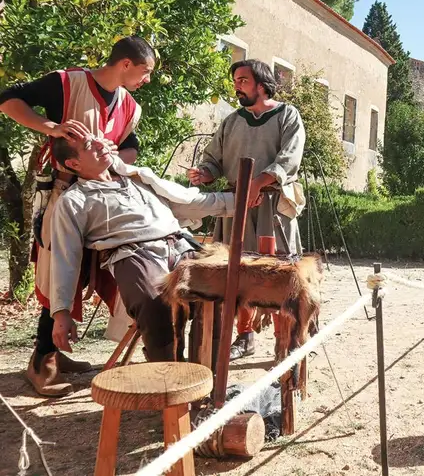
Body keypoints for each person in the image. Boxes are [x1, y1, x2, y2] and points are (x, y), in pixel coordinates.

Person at [0, 36, 154, 396]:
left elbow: (131, 149)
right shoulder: (67, 82)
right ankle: (42, 360)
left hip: (101, 201)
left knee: (86, 271)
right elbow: (7, 100)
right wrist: (50, 127)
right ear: (126, 65)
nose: (146, 80)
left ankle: (55, 351)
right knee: (57, 270)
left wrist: (112, 157)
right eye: (144, 72)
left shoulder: (130, 106)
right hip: (61, 193)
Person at [48, 136, 234, 371]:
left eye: (98, 141)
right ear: (74, 164)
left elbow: (192, 203)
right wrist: (61, 312)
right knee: (155, 303)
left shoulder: (141, 180)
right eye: (88, 147)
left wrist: (241, 200)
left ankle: (207, 375)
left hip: (180, 246)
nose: (100, 145)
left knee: (215, 291)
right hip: (132, 255)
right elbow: (65, 257)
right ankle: (168, 376)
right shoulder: (74, 200)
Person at [189, 59, 307, 360]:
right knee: (235, 273)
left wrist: (256, 183)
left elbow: (289, 158)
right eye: (236, 80)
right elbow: (213, 158)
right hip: (235, 206)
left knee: (278, 272)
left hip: (271, 206)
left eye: (242, 79)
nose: (237, 85)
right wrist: (205, 173)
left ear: (261, 83)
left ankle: (286, 341)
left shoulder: (287, 115)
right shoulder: (231, 121)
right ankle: (245, 336)